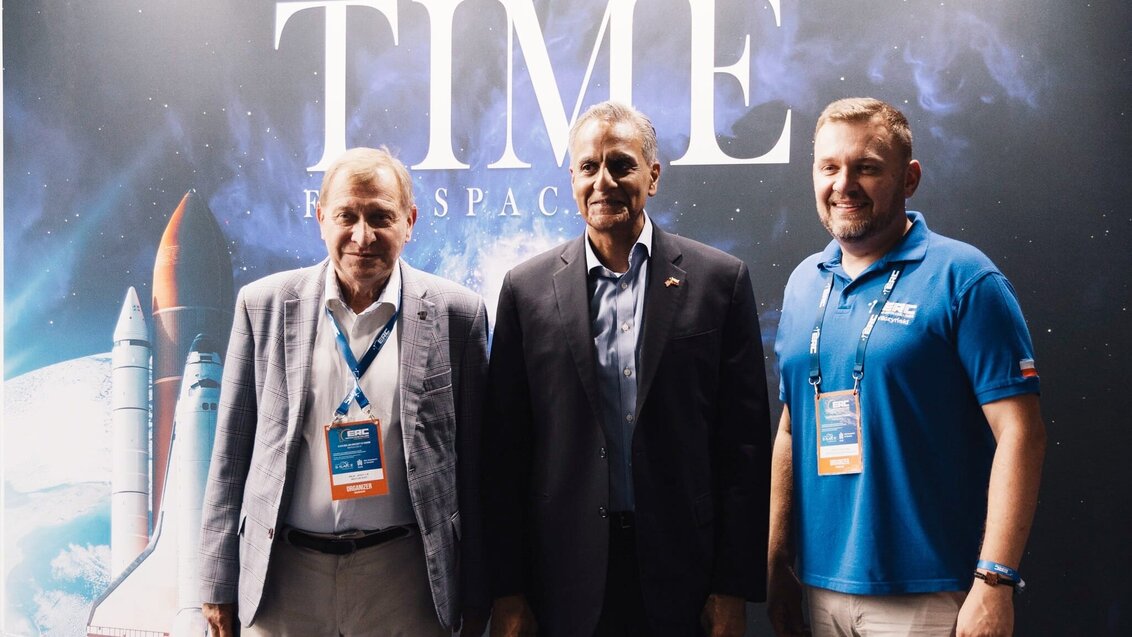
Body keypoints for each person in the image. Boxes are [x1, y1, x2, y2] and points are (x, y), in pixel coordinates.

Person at [483, 100, 772, 637]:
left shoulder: (720, 281)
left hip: (685, 575)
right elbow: (504, 455)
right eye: (589, 167)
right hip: (562, 579)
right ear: (572, 178)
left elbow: (744, 451)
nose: (604, 181)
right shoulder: (525, 290)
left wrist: (733, 589)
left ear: (653, 176)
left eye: (621, 164)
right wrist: (508, 591)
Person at [768, 97, 1046, 637]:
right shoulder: (804, 282)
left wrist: (995, 581)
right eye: (829, 167)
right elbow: (789, 427)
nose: (843, 184)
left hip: (929, 594)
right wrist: (777, 564)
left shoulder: (965, 278)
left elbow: (1022, 434)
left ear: (909, 177)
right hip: (820, 589)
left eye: (867, 167)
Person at [198, 147, 489, 636]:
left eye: (380, 217)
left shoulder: (458, 314)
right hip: (285, 581)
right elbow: (229, 457)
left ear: (410, 221)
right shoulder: (263, 306)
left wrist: (481, 590)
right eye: (346, 216)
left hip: (407, 581)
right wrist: (215, 584)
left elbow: (479, 468)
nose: (362, 236)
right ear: (320, 218)